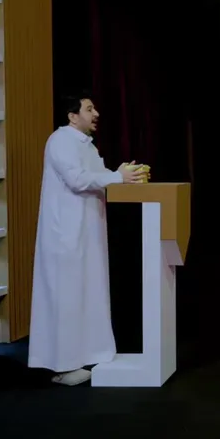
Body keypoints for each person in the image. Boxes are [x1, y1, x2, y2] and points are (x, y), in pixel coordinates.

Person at [30, 94, 147, 386]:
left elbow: (99, 176)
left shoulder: (87, 145)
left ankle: (90, 353)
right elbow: (78, 179)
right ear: (72, 116)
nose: (96, 114)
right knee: (68, 297)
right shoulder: (60, 141)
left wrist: (124, 175)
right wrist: (117, 177)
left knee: (88, 293)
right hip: (66, 235)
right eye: (89, 109)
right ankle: (64, 364)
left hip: (87, 233)